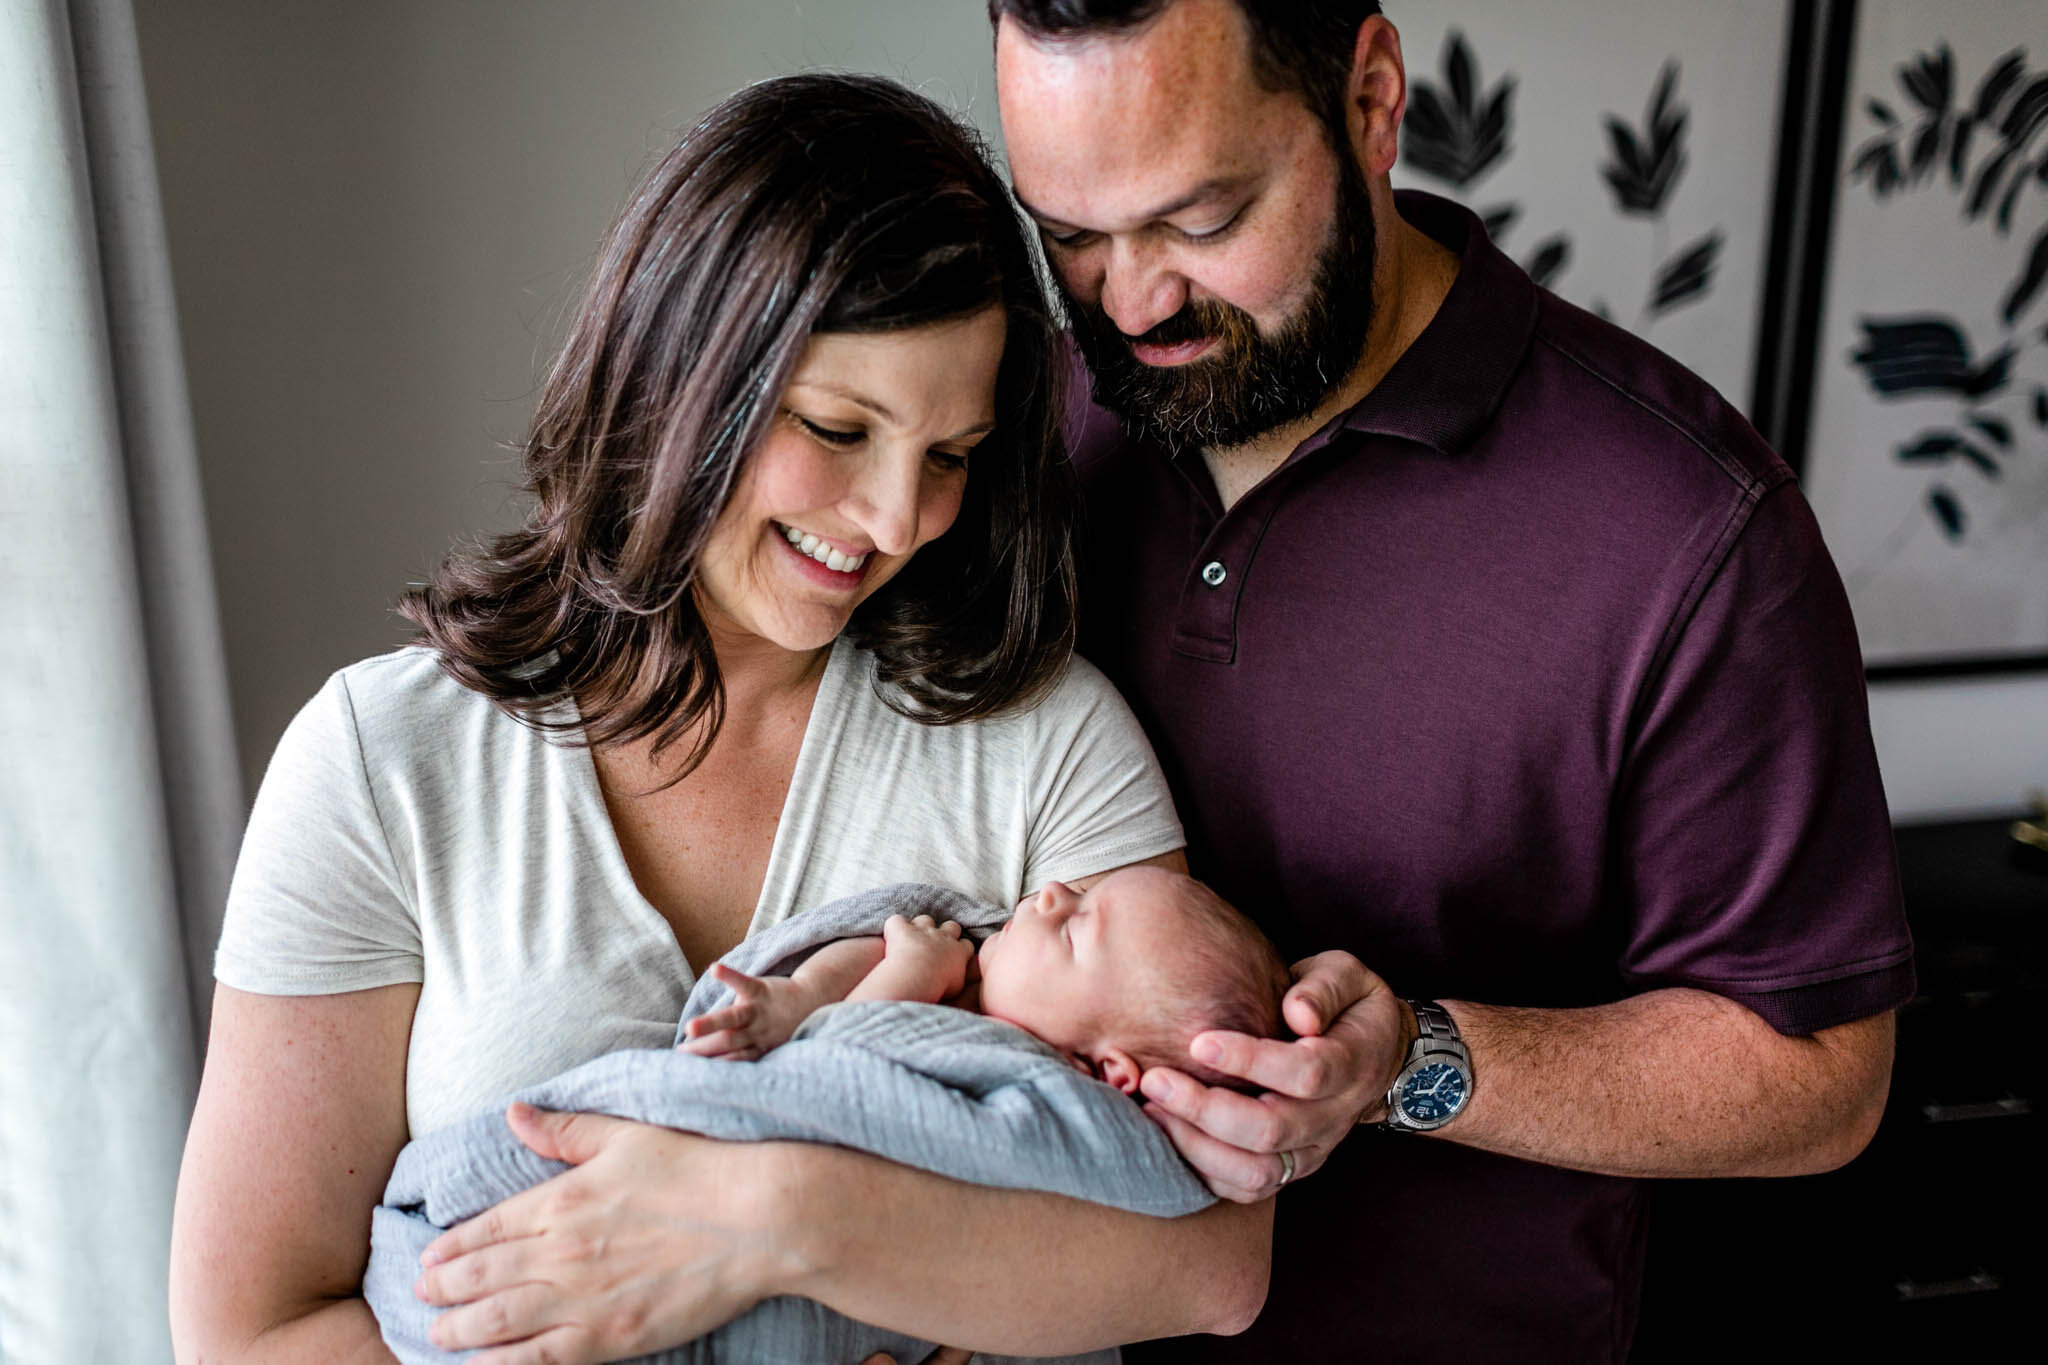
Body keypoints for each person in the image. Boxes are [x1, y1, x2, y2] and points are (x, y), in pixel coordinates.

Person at [169, 73, 1270, 1365]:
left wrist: (777, 1218)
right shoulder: (380, 767)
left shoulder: (1048, 747)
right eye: (838, 427)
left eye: (951, 454)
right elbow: (251, 1328)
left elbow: (1207, 1260)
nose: (894, 517)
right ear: (687, 368)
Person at [984, 1, 1916, 1361]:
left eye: (1201, 220)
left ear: (1371, 99)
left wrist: (1412, 1060)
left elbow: (1821, 1076)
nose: (1135, 302)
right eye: (1069, 234)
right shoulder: (1020, 436)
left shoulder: (1686, 529)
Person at [684, 868, 1292, 1095]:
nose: (1053, 893)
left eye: (1076, 929)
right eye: (1083, 892)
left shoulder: (1020, 1082)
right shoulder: (969, 961)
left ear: (1108, 1073)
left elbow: (835, 1072)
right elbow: (868, 947)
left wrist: (911, 973)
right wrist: (800, 997)